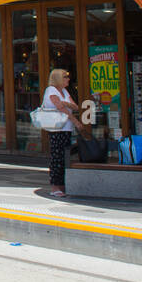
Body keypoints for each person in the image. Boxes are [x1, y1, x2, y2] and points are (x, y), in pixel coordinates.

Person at [42, 68, 80, 197]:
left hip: (66, 128)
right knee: (56, 157)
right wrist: (76, 122)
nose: (68, 79)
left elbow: (75, 106)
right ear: (58, 78)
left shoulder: (63, 91)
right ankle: (55, 186)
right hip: (57, 129)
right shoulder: (51, 90)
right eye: (65, 77)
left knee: (64, 157)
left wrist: (64, 103)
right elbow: (61, 108)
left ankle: (62, 185)